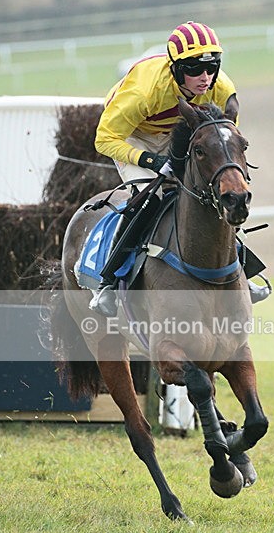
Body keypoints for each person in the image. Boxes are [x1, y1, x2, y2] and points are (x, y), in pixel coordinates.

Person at [90, 20, 264, 317]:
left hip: (182, 132)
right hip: (136, 135)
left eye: (211, 68)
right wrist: (152, 162)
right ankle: (108, 281)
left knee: (219, 194)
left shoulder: (221, 88)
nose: (205, 78)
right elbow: (104, 139)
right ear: (176, 69)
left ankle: (243, 270)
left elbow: (225, 136)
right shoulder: (144, 92)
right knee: (149, 197)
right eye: (195, 69)